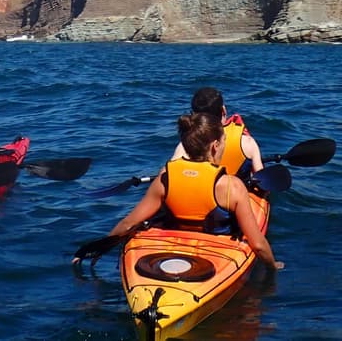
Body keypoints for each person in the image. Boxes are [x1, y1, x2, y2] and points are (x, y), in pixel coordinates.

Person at [102, 111, 282, 270]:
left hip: (169, 249)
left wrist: (97, 250)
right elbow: (258, 245)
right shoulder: (231, 187)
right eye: (224, 141)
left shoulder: (165, 179)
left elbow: (127, 224)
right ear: (215, 146)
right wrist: (273, 266)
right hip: (217, 253)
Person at [171, 86, 264, 177]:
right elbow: (264, 185)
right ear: (223, 110)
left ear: (194, 116)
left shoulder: (186, 145)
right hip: (235, 190)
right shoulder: (247, 143)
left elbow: (170, 175)